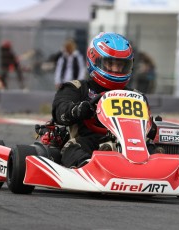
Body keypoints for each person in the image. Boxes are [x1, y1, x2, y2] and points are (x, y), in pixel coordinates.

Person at [52, 32, 156, 168]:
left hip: (129, 144)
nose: (116, 69)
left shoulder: (136, 96)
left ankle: (161, 169)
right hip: (88, 141)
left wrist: (151, 127)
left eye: (121, 65)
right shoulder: (76, 88)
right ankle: (88, 167)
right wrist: (79, 110)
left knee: (153, 147)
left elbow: (147, 130)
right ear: (94, 60)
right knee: (73, 148)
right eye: (110, 64)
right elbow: (59, 112)